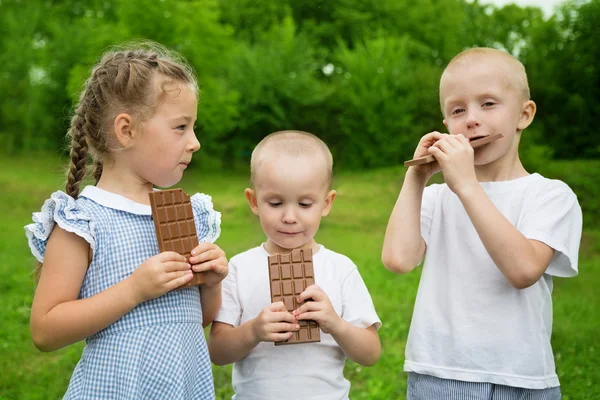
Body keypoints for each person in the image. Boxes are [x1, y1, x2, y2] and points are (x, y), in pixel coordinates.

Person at [24, 42, 227, 399]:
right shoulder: (83, 221)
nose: (194, 142)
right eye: (181, 127)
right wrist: (134, 290)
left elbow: (198, 318)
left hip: (183, 387)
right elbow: (45, 330)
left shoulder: (188, 215)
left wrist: (210, 283)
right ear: (126, 130)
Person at [382, 47, 582, 399]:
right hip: (440, 375)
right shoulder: (436, 197)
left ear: (524, 114)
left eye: (488, 104)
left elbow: (523, 271)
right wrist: (417, 179)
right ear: (447, 126)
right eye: (458, 110)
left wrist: (467, 186)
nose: (471, 119)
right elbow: (398, 260)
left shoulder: (550, 195)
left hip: (524, 379)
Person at [208, 130, 381, 399]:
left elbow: (370, 353)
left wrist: (335, 324)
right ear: (254, 202)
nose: (290, 217)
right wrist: (254, 331)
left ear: (326, 203)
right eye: (275, 203)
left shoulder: (340, 269)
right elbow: (217, 352)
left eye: (304, 203)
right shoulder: (239, 269)